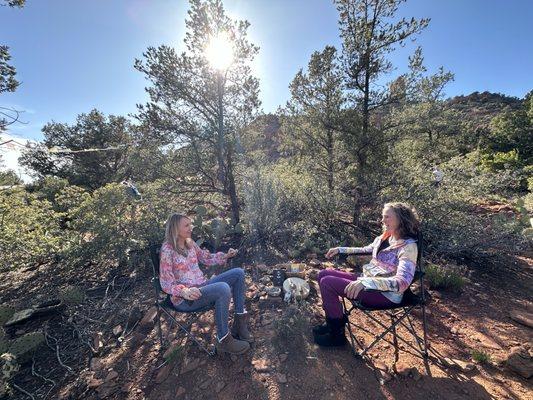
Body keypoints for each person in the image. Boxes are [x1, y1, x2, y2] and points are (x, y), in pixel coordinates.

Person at [313, 202, 420, 347]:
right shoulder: (386, 237)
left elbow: (402, 283)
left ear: (401, 219)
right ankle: (333, 322)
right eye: (383, 217)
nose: (382, 221)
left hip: (384, 294)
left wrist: (366, 283)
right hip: (367, 281)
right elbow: (366, 249)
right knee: (323, 274)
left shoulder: (408, 247)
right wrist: (340, 249)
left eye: (387, 217)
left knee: (327, 283)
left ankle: (336, 336)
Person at [159, 213, 253, 355]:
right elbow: (166, 284)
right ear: (175, 228)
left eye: (190, 224)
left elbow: (206, 258)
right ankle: (223, 340)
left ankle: (239, 324)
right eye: (186, 225)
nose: (191, 228)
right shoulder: (167, 250)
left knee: (238, 273)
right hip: (186, 298)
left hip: (203, 286)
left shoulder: (190, 243)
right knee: (223, 288)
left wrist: (226, 255)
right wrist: (184, 291)